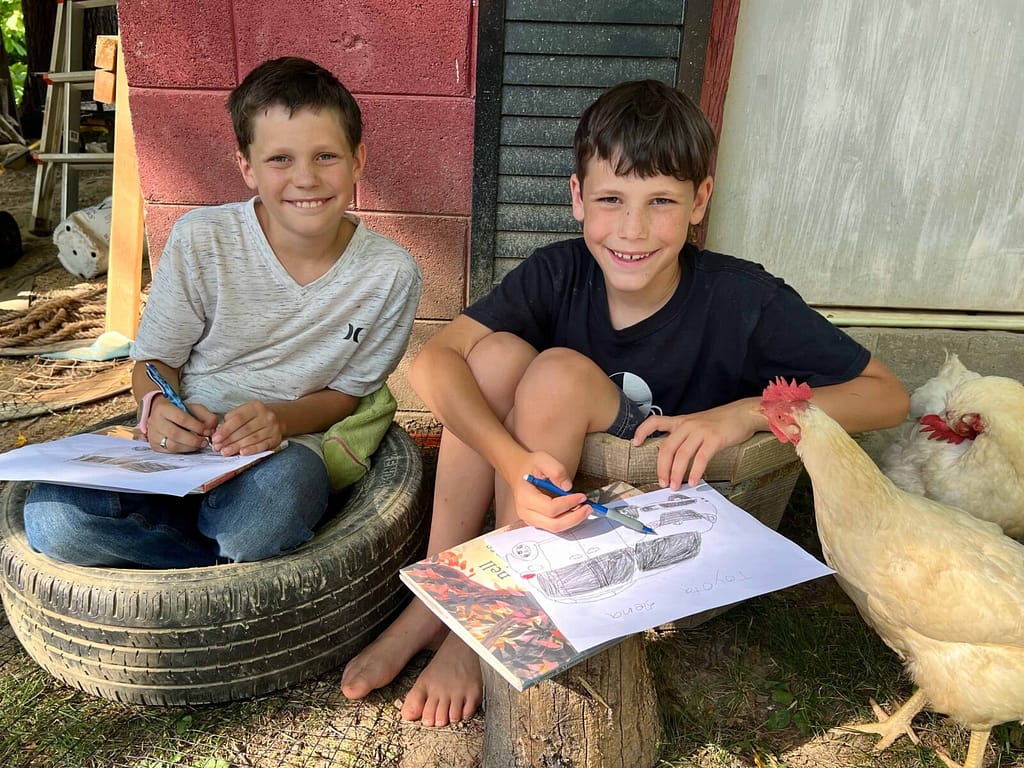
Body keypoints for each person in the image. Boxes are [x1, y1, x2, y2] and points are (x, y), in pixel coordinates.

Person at [340, 79, 909, 726]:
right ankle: (440, 594)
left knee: (553, 372)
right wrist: (513, 463)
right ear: (577, 197)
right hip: (548, 493)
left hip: (657, 511)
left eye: (661, 201)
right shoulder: (559, 271)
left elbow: (886, 396)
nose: (633, 230)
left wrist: (745, 413)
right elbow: (435, 361)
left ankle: (490, 618)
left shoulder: (743, 299)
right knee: (493, 357)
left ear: (700, 201)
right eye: (612, 199)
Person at [23, 57, 422, 569]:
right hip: (183, 444)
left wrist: (278, 419)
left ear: (358, 160)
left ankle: (198, 551)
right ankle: (220, 564)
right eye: (280, 159)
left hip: (280, 451)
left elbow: (348, 394)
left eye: (326, 155)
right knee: (52, 520)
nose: (305, 178)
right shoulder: (203, 238)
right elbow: (153, 362)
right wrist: (156, 411)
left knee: (271, 507)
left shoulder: (391, 275)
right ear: (247, 167)